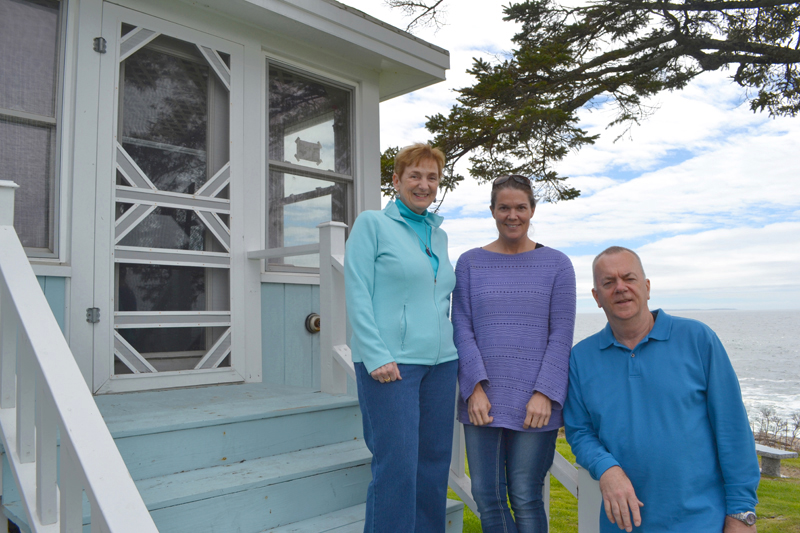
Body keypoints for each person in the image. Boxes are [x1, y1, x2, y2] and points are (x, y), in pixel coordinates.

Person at [564, 246, 760, 533]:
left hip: (702, 521)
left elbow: (732, 428)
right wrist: (607, 468)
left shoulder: (698, 339)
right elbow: (580, 431)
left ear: (646, 287)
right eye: (608, 283)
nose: (620, 288)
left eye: (628, 278)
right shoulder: (580, 358)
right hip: (624, 525)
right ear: (596, 297)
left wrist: (742, 512)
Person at [344, 143, 458, 533]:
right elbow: (357, 290)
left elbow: (439, 298)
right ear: (396, 180)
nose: (424, 184)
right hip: (391, 364)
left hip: (441, 364)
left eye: (432, 177)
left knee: (433, 463)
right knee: (397, 467)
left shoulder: (437, 235)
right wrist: (375, 355)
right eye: (415, 175)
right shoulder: (371, 224)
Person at [452, 174, 576, 532]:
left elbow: (561, 334)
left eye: (520, 207)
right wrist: (473, 388)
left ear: (532, 210)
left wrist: (545, 395)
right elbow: (461, 327)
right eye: (504, 207)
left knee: (525, 495)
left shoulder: (557, 264)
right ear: (492, 211)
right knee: (487, 497)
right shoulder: (469, 263)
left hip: (535, 404)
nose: (512, 215)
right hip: (482, 401)